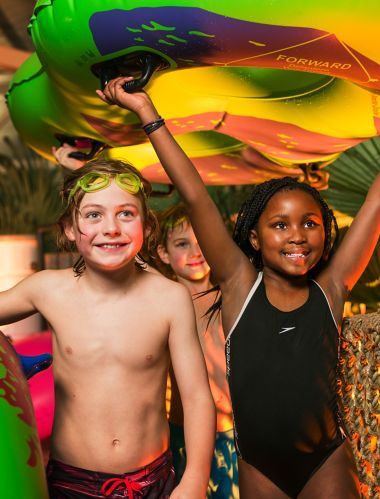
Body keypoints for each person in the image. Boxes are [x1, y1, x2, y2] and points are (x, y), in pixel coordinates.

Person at [96, 76, 380, 499]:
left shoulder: (331, 287)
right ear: (253, 238)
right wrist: (147, 114)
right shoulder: (238, 284)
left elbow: (376, 203)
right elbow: (195, 197)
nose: (297, 235)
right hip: (259, 468)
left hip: (325, 462)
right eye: (279, 225)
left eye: (310, 223)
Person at [0, 157, 216, 498]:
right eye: (93, 215)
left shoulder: (169, 299)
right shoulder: (47, 290)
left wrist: (195, 479)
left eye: (126, 214)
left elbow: (196, 397)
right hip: (73, 483)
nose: (111, 228)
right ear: (71, 228)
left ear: (145, 224)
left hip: (153, 482)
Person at [155, 204, 239, 498]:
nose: (196, 251)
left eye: (202, 240)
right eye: (182, 244)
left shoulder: (229, 300)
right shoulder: (162, 305)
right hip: (182, 435)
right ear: (163, 254)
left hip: (233, 433)